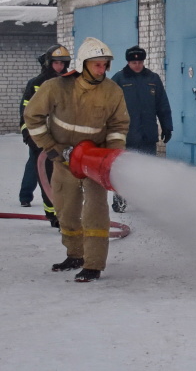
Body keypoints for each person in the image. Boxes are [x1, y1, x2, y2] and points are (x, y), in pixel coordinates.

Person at [24, 37, 129, 283]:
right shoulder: (56, 87)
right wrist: (51, 148)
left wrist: (110, 157)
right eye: (98, 65)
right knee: (66, 212)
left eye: (105, 65)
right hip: (63, 162)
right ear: (83, 64)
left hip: (94, 164)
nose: (103, 70)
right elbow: (33, 117)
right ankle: (75, 255)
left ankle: (93, 264)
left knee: (95, 214)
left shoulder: (112, 91)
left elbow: (118, 126)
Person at [110, 45, 173, 213]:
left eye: (139, 61)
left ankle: (146, 200)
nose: (137, 65)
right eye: (133, 62)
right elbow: (108, 108)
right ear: (128, 62)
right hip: (126, 136)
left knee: (148, 170)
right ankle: (120, 199)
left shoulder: (153, 79)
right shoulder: (118, 80)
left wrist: (167, 127)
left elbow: (162, 105)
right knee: (123, 170)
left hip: (148, 134)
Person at [19, 45, 71, 228]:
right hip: (41, 142)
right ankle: (54, 215)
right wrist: (31, 138)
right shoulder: (36, 83)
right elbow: (26, 113)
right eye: (56, 63)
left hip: (65, 141)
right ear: (49, 63)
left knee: (66, 179)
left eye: (62, 64)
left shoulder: (70, 82)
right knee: (47, 178)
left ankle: (66, 213)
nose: (59, 67)